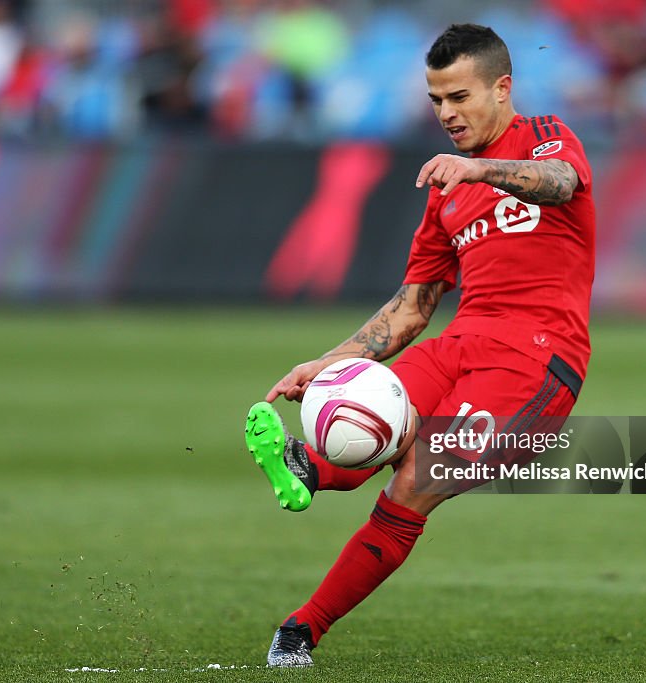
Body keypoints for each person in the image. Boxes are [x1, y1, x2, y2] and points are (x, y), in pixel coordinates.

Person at [243, 23, 595, 667]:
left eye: (459, 97)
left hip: (538, 360)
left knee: (411, 480)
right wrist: (326, 364)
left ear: (502, 88)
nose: (447, 114)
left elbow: (563, 183)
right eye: (437, 101)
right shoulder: (445, 195)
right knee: (367, 419)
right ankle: (309, 467)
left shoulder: (544, 136)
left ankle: (301, 628)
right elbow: (411, 310)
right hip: (460, 342)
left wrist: (480, 168)